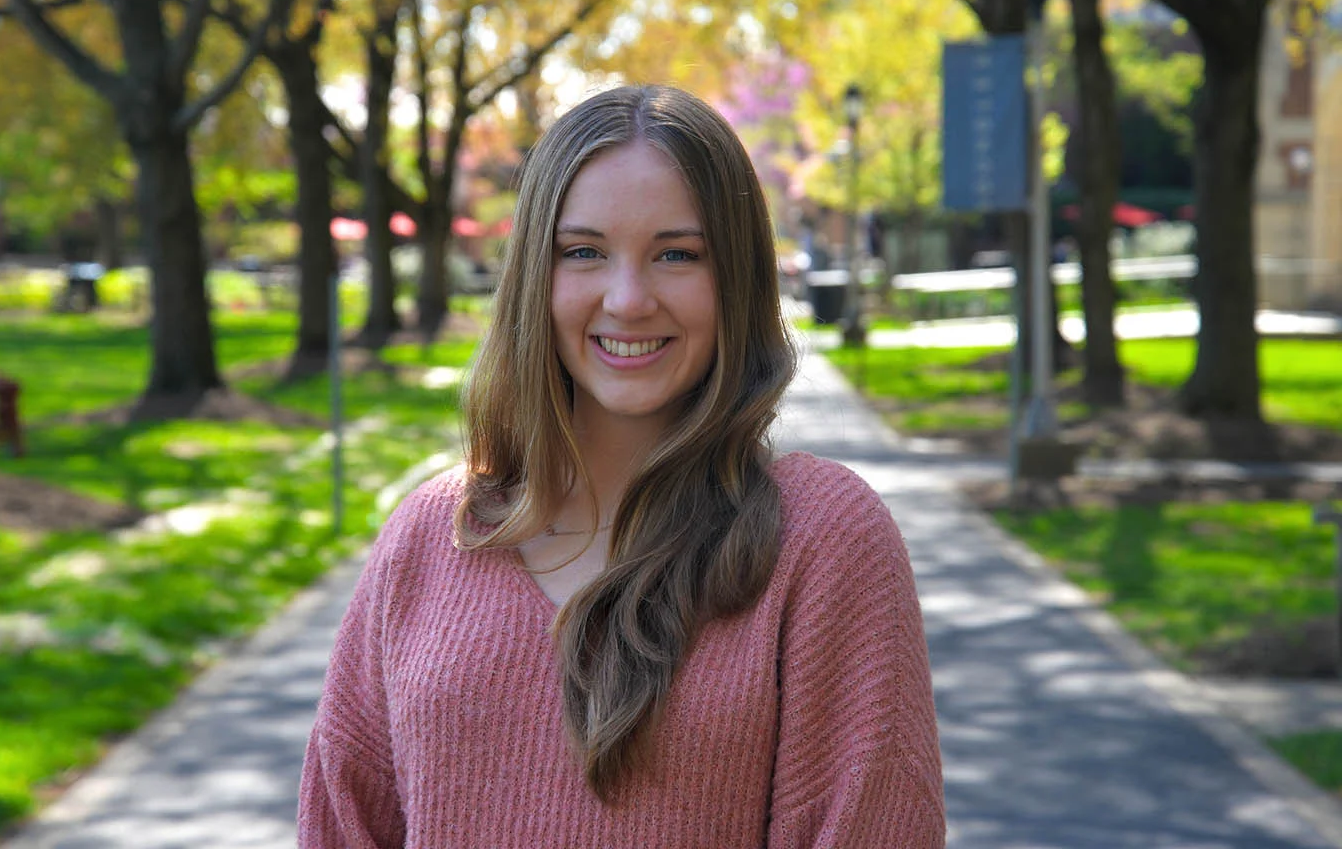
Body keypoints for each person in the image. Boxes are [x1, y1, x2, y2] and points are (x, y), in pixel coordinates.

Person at [298, 85, 944, 848]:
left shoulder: (822, 541)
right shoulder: (428, 539)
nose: (628, 299)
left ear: (735, 279)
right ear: (535, 277)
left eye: (677, 253)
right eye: (584, 252)